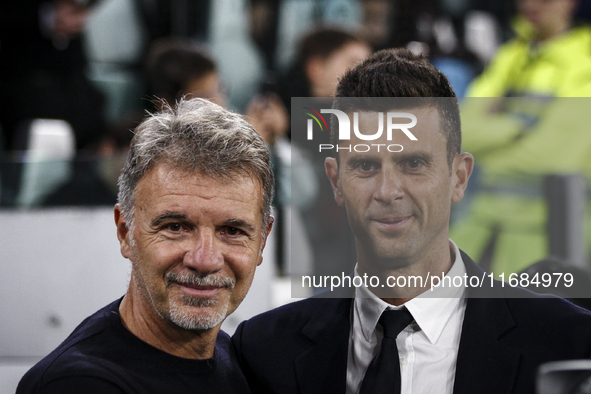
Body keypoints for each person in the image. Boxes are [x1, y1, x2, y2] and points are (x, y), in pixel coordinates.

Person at [232, 49, 591, 394]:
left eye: (413, 164)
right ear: (336, 180)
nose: (388, 191)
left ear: (460, 176)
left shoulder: (569, 343)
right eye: (366, 166)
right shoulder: (265, 350)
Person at [17, 97, 274, 393]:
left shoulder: (242, 362)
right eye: (175, 227)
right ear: (126, 231)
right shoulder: (76, 385)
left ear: (262, 240)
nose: (205, 260)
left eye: (232, 230)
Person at [450, 0, 591, 275]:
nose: (530, 4)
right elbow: (457, 131)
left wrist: (485, 145)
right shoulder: (510, 54)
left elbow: (556, 158)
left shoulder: (585, 59)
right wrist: (517, 127)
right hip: (477, 231)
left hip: (546, 242)